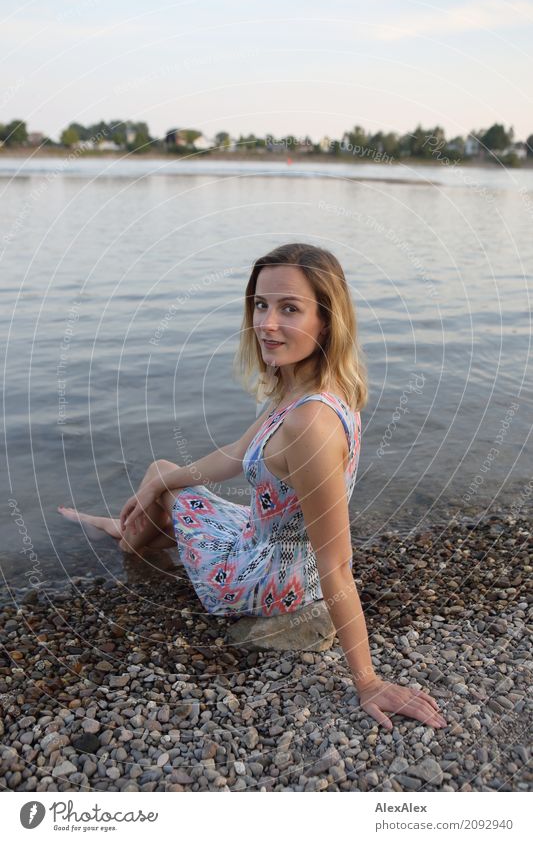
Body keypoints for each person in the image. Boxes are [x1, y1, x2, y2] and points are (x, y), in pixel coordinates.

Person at [58, 242, 446, 732]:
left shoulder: (311, 425)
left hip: (271, 579)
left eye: (289, 308)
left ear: (326, 320)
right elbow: (240, 453)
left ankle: (125, 543)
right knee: (163, 474)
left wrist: (367, 681)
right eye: (261, 305)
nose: (266, 322)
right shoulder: (309, 384)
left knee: (161, 507)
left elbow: (338, 562)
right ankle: (130, 530)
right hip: (268, 537)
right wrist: (164, 475)